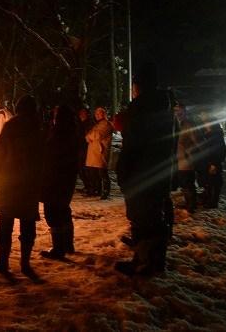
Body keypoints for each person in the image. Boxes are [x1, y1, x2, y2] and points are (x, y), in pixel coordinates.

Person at [115, 62, 176, 276]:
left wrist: (124, 171)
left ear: (139, 86)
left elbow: (134, 145)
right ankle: (144, 260)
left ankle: (150, 263)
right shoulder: (163, 109)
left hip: (142, 174)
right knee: (145, 218)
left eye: (134, 85)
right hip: (155, 172)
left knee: (147, 218)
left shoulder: (143, 109)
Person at [0, 95, 43, 279]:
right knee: (27, 223)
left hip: (10, 179)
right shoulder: (38, 127)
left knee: (6, 222)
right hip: (29, 181)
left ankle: (3, 261)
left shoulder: (12, 126)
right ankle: (25, 264)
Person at [40, 105, 79, 259]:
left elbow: (51, 157)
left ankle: (58, 249)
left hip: (55, 178)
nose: (53, 117)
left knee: (53, 212)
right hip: (66, 178)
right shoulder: (71, 132)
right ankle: (68, 244)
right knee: (63, 210)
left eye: (55, 115)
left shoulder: (59, 134)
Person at [174, 104, 203, 213]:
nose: (178, 114)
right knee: (184, 183)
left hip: (187, 160)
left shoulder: (189, 125)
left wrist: (191, 153)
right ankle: (189, 203)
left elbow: (198, 142)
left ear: (185, 112)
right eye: (176, 111)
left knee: (188, 183)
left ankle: (191, 206)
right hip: (179, 160)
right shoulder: (177, 125)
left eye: (180, 112)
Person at [198, 109, 226, 208]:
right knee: (207, 181)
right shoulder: (204, 129)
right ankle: (207, 198)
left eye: (203, 114)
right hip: (206, 161)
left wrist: (214, 163)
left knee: (215, 182)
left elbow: (221, 148)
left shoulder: (216, 131)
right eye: (201, 115)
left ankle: (213, 202)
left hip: (214, 161)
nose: (201, 116)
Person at [85, 107, 114, 199]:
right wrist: (90, 136)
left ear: (103, 114)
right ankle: (97, 189)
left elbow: (96, 135)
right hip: (94, 152)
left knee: (102, 173)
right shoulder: (97, 124)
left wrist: (90, 136)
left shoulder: (106, 124)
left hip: (100, 152)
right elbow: (88, 135)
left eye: (99, 114)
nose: (96, 115)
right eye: (96, 114)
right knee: (94, 172)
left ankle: (105, 191)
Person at [77, 107, 93, 194]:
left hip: (86, 148)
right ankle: (86, 186)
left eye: (83, 113)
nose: (81, 115)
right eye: (81, 113)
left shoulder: (89, 123)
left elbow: (88, 135)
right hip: (80, 148)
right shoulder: (80, 123)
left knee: (85, 169)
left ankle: (90, 186)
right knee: (81, 169)